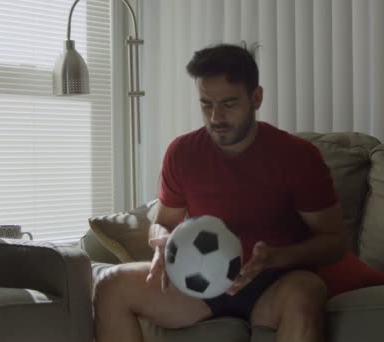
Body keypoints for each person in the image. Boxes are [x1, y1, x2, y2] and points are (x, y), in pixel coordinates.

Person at [93, 44, 347, 342]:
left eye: (228, 104)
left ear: (256, 97)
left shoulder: (298, 157)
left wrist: (277, 257)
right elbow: (165, 221)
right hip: (199, 285)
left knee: (308, 293)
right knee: (111, 284)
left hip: (274, 285)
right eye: (206, 104)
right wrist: (162, 240)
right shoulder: (182, 153)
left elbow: (335, 243)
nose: (216, 117)